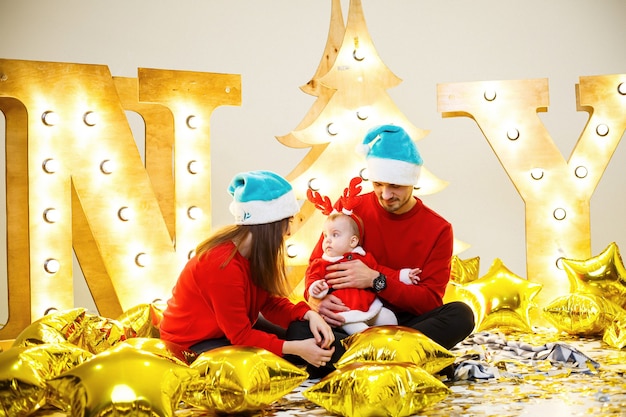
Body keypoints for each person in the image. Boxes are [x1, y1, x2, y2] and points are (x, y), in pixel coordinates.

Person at [286, 124, 475, 378]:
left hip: (403, 324)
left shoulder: (438, 229)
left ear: (412, 181)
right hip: (351, 321)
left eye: (395, 185)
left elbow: (429, 301)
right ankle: (408, 360)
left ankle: (362, 361)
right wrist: (316, 298)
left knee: (461, 315)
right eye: (378, 184)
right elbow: (317, 265)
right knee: (298, 329)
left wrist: (376, 280)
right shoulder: (351, 210)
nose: (386, 195)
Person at [159, 170, 335, 369]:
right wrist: (296, 348)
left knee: (298, 331)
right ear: (271, 226)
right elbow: (240, 335)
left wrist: (309, 314)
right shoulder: (222, 264)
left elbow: (269, 304)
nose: (288, 232)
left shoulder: (252, 255)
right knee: (262, 365)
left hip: (226, 331)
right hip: (190, 344)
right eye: (288, 223)